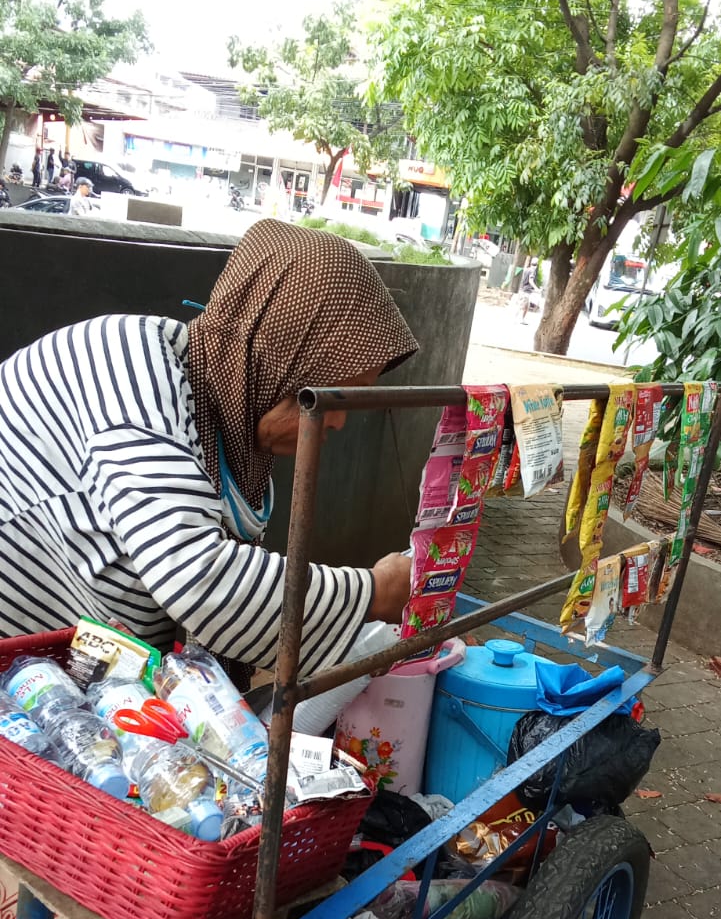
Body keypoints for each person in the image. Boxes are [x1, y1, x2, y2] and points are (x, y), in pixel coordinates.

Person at [0, 219, 417, 689]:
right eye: (330, 393)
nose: (337, 421)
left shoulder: (226, 430)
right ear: (280, 357)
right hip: (22, 670)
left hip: (75, 674)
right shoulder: (126, 369)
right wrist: (375, 592)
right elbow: (196, 577)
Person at [517, 257, 540, 323]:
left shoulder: (527, 269)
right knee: (521, 305)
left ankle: (522, 319)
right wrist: (536, 288)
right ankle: (514, 318)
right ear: (537, 264)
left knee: (526, 306)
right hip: (526, 291)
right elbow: (530, 281)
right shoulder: (532, 271)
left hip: (523, 290)